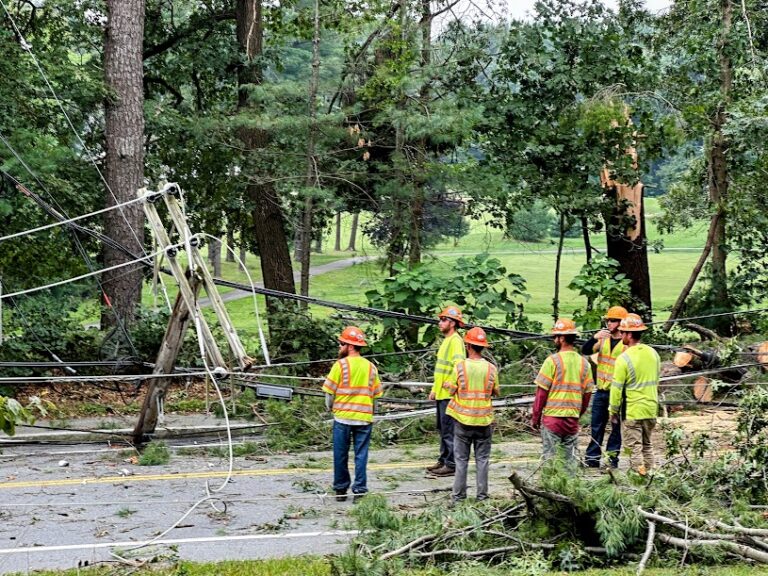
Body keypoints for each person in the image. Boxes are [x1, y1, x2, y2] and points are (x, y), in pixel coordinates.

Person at [322, 326, 383, 501]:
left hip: (343, 418)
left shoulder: (340, 365)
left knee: (340, 454)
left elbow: (329, 393)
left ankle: (341, 490)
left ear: (349, 346)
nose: (339, 347)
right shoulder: (371, 367)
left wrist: (330, 408)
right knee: (361, 455)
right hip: (364, 419)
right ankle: (360, 491)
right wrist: (373, 412)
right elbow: (376, 395)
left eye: (341, 344)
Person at [443, 327, 499, 504]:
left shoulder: (460, 367)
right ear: (483, 347)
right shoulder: (491, 369)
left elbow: (452, 389)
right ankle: (482, 497)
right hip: (484, 421)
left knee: (461, 460)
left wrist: (445, 385)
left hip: (463, 421)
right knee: (482, 460)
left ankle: (458, 497)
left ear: (467, 345)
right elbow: (496, 391)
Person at [532, 319, 593, 469]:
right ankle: (569, 490)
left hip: (553, 419)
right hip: (571, 420)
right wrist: (578, 413)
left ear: (562, 338)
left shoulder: (552, 361)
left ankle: (548, 489)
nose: (554, 340)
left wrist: (536, 416)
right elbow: (587, 395)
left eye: (556, 336)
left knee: (550, 460)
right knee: (569, 461)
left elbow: (541, 394)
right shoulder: (584, 363)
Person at [609, 313, 660, 476]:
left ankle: (639, 479)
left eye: (623, 332)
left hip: (633, 411)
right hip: (651, 408)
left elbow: (616, 388)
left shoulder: (624, 358)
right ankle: (652, 476)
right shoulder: (653, 353)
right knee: (647, 445)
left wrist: (613, 411)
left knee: (634, 449)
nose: (621, 335)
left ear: (629, 335)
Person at [582, 306, 628, 468]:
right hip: (601, 391)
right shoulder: (602, 340)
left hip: (619, 393)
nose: (609, 323)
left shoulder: (626, 343)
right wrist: (594, 338)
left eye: (613, 320)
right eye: (608, 320)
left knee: (616, 428)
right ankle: (592, 458)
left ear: (621, 323)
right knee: (596, 426)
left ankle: (612, 459)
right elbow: (585, 350)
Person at [426, 305, 466, 477]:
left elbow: (459, 366)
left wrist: (451, 384)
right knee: (442, 428)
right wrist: (435, 389)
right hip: (442, 393)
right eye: (440, 319)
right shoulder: (447, 341)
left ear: (453, 323)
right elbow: (441, 370)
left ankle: (451, 464)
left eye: (444, 320)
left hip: (449, 394)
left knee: (449, 430)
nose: (439, 323)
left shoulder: (456, 341)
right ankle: (443, 460)